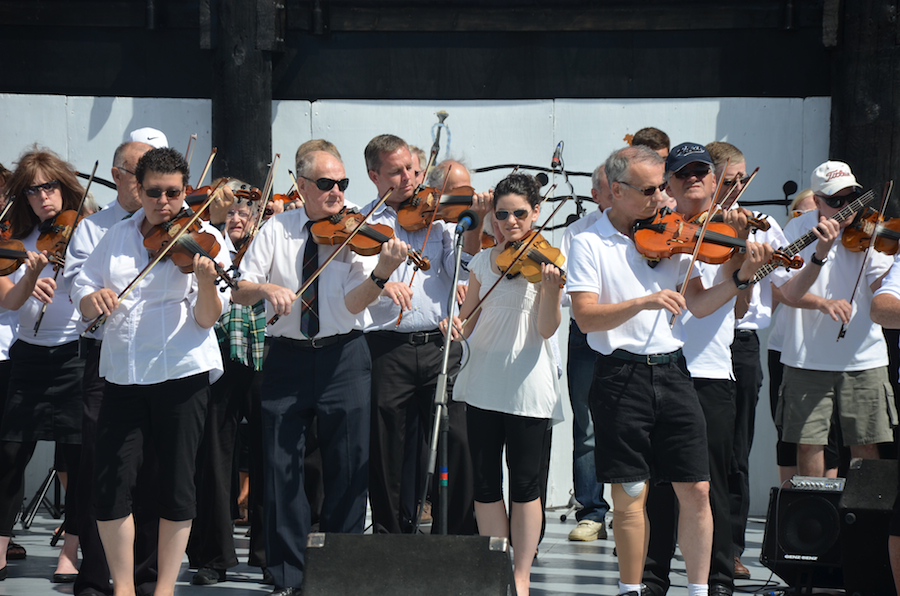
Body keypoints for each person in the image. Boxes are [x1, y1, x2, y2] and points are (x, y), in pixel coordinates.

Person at [566, 145, 772, 596]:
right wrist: (645, 301)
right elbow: (586, 317)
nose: (662, 198)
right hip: (619, 374)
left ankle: (698, 590)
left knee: (697, 487)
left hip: (674, 370)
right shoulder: (588, 242)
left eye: (663, 188)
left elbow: (699, 304)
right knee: (630, 493)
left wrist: (740, 278)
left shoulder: (672, 235)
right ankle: (631, 588)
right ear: (616, 191)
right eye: (649, 191)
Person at [232, 149, 409, 596]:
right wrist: (267, 287)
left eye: (343, 184)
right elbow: (239, 289)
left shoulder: (356, 232)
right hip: (287, 356)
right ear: (302, 186)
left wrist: (382, 274)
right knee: (281, 467)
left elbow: (351, 304)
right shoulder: (276, 229)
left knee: (349, 466)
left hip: (343, 355)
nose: (337, 193)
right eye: (327, 184)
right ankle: (288, 575)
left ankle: (339, 574)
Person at [72, 146, 230, 596]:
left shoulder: (203, 238)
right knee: (110, 485)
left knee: (177, 486)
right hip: (122, 373)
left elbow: (206, 318)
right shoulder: (115, 236)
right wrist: (92, 299)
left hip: (181, 374)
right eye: (155, 192)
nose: (165, 202)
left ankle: (163, 588)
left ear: (185, 191)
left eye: (174, 193)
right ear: (138, 190)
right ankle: (123, 587)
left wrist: (205, 282)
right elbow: (83, 285)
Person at [440, 172, 564, 596]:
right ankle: (497, 569)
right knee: (486, 482)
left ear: (536, 213)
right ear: (492, 216)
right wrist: (453, 325)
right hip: (483, 381)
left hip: (527, 383)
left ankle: (521, 575)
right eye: (502, 214)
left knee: (526, 484)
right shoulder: (481, 262)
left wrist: (550, 291)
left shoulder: (547, 262)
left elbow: (546, 329)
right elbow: (469, 322)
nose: (511, 222)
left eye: (520, 214)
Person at [361, 134, 488, 536]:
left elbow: (462, 271)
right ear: (374, 176)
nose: (409, 179)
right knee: (388, 447)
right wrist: (382, 283)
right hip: (386, 348)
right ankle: (391, 536)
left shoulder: (442, 222)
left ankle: (455, 535)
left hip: (438, 345)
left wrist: (475, 223)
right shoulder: (364, 224)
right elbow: (352, 283)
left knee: (458, 440)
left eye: (412, 170)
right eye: (396, 172)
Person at [63, 140, 162, 596]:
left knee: (153, 469)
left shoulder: (175, 224)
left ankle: (145, 575)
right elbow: (75, 285)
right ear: (119, 176)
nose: (149, 182)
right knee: (102, 467)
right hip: (107, 361)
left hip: (159, 364)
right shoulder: (95, 228)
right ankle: (96, 576)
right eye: (140, 172)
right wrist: (91, 297)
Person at [773, 160, 896, 476]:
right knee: (808, 443)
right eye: (835, 201)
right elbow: (789, 293)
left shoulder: (870, 229)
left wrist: (889, 256)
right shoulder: (797, 230)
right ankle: (815, 507)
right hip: (806, 358)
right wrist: (820, 253)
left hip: (863, 357)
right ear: (817, 201)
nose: (846, 208)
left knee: (867, 443)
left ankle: (865, 510)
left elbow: (882, 290)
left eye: (851, 197)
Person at [0, 147, 88, 583]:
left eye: (49, 187)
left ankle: (71, 550)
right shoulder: (16, 241)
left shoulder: (86, 233)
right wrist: (31, 278)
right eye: (32, 192)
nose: (43, 198)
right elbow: (9, 302)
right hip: (28, 354)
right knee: (9, 453)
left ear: (64, 187)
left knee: (76, 456)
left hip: (74, 353)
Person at [705, 141, 789, 580]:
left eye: (742, 179)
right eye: (730, 180)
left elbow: (785, 282)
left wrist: (754, 265)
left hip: (739, 341)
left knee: (736, 450)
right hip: (693, 341)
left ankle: (731, 547)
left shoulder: (762, 225)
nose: (738, 188)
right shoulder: (690, 220)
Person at [187, 182, 270, 587]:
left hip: (265, 354)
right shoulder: (208, 243)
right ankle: (213, 555)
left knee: (269, 452)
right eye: (231, 211)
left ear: (257, 217)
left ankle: (268, 552)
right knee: (215, 456)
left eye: (245, 212)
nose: (237, 218)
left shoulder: (267, 244)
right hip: (221, 355)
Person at [559, 163, 613, 542]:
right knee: (588, 426)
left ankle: (636, 514)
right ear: (595, 195)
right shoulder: (578, 232)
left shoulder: (644, 229)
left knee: (634, 425)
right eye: (613, 188)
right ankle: (592, 511)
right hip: (586, 332)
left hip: (628, 335)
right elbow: (565, 291)